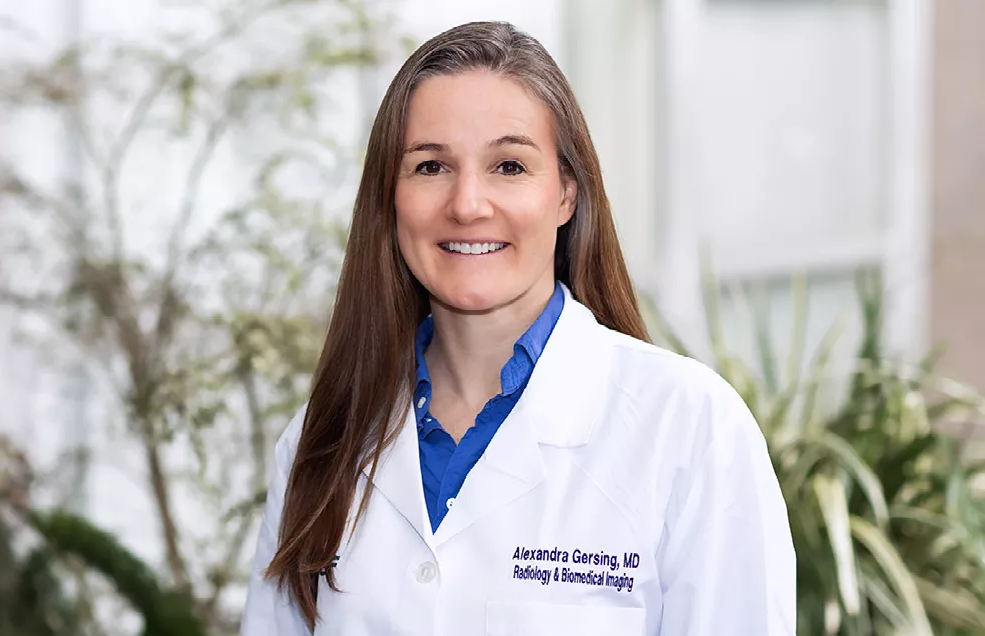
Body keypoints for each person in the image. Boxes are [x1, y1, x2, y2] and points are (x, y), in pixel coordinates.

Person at [240, 20, 795, 636]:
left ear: (566, 195)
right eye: (430, 167)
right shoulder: (321, 442)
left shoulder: (690, 428)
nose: (468, 203)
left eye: (508, 166)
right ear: (388, 199)